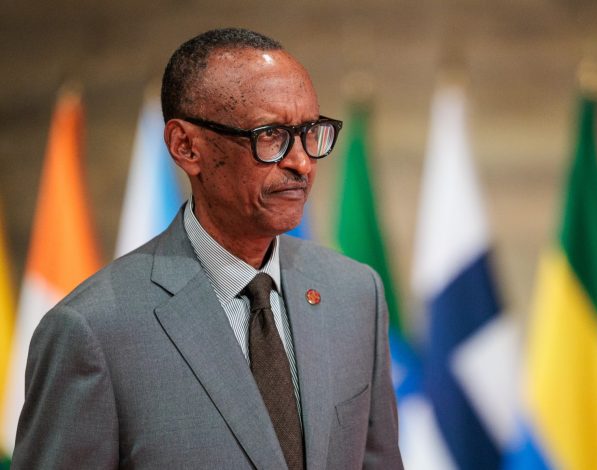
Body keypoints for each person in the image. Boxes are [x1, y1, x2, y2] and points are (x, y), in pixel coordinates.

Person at [12, 28, 402, 469]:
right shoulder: (92, 331)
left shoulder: (355, 293)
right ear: (186, 146)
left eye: (310, 132)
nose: (302, 162)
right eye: (270, 136)